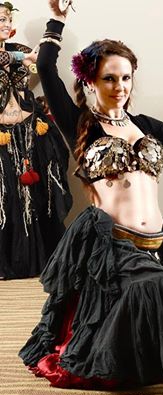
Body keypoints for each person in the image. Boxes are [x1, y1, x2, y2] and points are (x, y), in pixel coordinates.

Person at [19, 0, 163, 389]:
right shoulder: (81, 123)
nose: (120, 87)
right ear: (91, 81)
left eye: (126, 78)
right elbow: (46, 70)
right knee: (157, 288)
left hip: (160, 243)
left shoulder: (144, 124)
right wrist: (57, 20)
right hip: (113, 247)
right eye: (109, 78)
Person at [0, 1, 72, 279]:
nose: (6, 23)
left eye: (8, 19)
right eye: (0, 19)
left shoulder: (19, 49)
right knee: (6, 197)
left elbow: (41, 61)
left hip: (30, 131)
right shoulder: (17, 54)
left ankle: (40, 259)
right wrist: (24, 58)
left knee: (38, 196)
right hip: (3, 138)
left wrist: (56, 22)